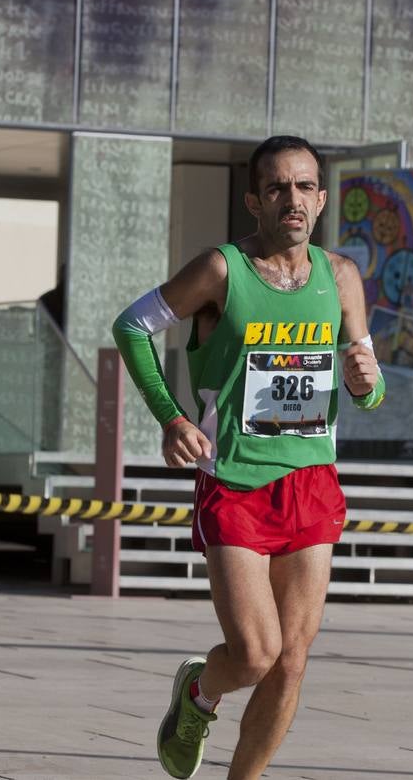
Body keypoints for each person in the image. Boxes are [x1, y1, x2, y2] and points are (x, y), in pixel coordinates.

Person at [112, 135, 384, 780]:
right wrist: (172, 416)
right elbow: (132, 326)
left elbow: (368, 387)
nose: (293, 199)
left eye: (304, 186)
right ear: (254, 201)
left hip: (311, 480)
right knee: (257, 653)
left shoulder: (342, 277)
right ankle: (199, 693)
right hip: (233, 480)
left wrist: (366, 384)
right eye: (277, 187)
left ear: (321, 199)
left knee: (292, 660)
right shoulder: (222, 269)